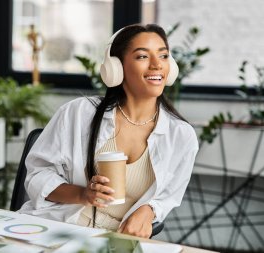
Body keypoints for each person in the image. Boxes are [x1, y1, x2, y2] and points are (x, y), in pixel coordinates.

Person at [18, 23, 199, 238]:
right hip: (60, 229)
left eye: (163, 56)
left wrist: (149, 210)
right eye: (142, 56)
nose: (156, 65)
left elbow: (168, 196)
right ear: (117, 67)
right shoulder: (78, 113)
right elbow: (38, 174)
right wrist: (83, 194)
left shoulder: (181, 136)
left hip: (117, 241)